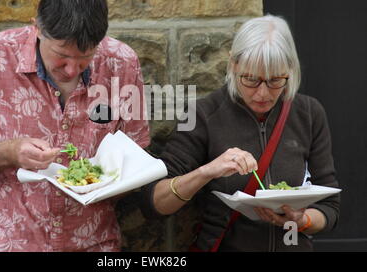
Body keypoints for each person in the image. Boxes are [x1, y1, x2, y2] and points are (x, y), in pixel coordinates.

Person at [0, 0, 149, 252]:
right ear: (37, 28)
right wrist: (8, 153)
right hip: (10, 242)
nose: (72, 70)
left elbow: (138, 154)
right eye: (61, 55)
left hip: (94, 242)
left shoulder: (122, 62)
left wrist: (104, 180)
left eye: (85, 57)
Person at [142, 15, 340, 251]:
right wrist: (207, 171)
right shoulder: (202, 114)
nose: (262, 94)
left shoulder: (309, 113)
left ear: (290, 70)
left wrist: (302, 220)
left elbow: (330, 207)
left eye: (276, 80)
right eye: (251, 80)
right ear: (233, 65)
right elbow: (154, 202)